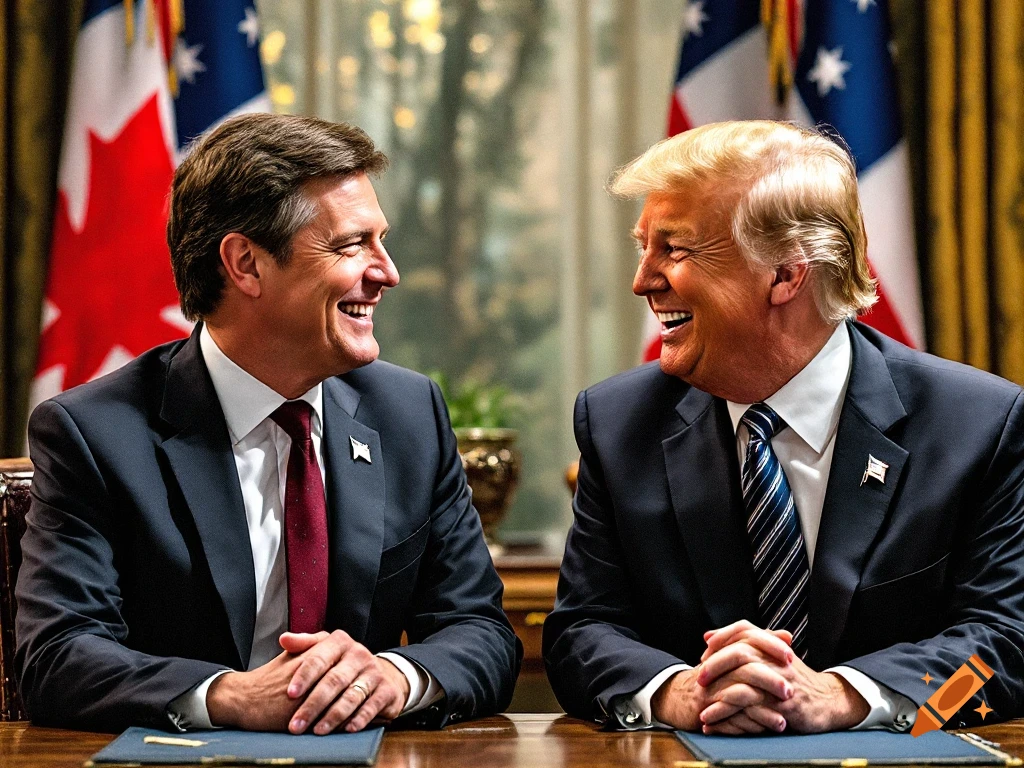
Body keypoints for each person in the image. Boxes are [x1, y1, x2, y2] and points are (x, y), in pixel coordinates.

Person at [16, 113, 521, 734]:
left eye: (380, 240)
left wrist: (392, 677)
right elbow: (58, 655)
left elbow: (483, 633)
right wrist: (230, 696)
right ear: (246, 265)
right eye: (350, 244)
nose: (387, 271)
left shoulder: (409, 414)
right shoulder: (94, 435)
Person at [543, 120, 1024, 735]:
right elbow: (580, 632)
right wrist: (679, 692)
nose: (643, 280)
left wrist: (845, 698)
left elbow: (1006, 643)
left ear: (785, 275)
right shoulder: (619, 423)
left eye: (676, 249)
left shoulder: (975, 425)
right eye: (645, 246)